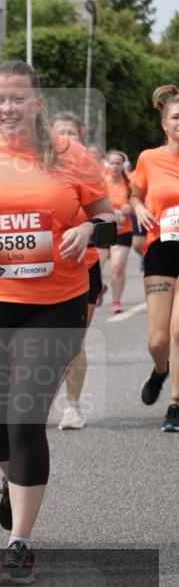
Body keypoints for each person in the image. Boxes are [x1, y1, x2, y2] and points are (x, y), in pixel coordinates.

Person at [0, 61, 115, 585]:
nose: (7, 109)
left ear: (37, 104)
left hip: (55, 300)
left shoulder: (70, 155)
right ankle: (13, 479)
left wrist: (89, 232)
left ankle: (20, 543)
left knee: (24, 416)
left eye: (18, 99)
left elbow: (109, 218)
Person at [50, 112, 105, 431]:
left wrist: (88, 229)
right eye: (60, 133)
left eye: (72, 132)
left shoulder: (89, 174)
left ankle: (72, 407)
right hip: (43, 270)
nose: (66, 138)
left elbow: (110, 224)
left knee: (73, 343)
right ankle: (38, 405)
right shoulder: (37, 172)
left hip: (84, 267)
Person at [131, 85, 179, 432]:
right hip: (161, 246)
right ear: (165, 124)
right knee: (158, 340)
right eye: (176, 117)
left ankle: (176, 403)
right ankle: (160, 370)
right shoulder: (149, 158)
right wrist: (138, 209)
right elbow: (136, 194)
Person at [100, 150, 133, 313]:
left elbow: (140, 200)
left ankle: (116, 301)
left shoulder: (129, 182)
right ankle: (99, 287)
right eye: (111, 163)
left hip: (123, 230)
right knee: (96, 266)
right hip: (105, 228)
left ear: (123, 166)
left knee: (117, 267)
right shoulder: (101, 181)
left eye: (118, 163)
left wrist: (131, 206)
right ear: (107, 165)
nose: (115, 166)